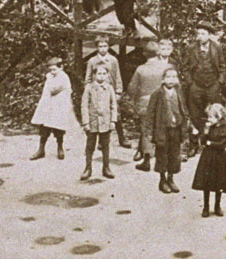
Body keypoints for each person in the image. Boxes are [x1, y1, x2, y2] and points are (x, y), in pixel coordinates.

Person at [127, 38, 174, 171]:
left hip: (144, 103)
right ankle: (163, 158)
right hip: (162, 102)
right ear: (158, 52)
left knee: (146, 130)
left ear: (144, 54)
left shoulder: (141, 69)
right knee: (161, 129)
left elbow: (131, 88)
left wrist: (136, 99)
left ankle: (146, 159)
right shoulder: (167, 67)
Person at [181, 23, 226, 144]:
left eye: (203, 34)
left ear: (209, 35)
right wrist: (190, 83)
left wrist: (219, 82)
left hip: (213, 85)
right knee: (194, 114)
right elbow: (185, 68)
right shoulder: (191, 48)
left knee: (217, 113)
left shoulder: (217, 48)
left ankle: (218, 141)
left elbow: (223, 67)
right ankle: (194, 143)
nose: (200, 36)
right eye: (198, 33)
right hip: (196, 86)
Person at [145, 65, 189, 193]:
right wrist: (149, 131)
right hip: (162, 130)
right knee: (162, 155)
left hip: (176, 129)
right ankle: (162, 180)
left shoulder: (179, 92)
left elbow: (183, 109)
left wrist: (185, 126)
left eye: (174, 77)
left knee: (174, 155)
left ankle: (171, 178)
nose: (171, 79)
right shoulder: (157, 94)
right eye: (168, 77)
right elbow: (150, 113)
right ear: (163, 80)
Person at [193, 102, 226, 217]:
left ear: (219, 117)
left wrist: (210, 143)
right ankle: (206, 206)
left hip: (220, 157)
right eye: (209, 116)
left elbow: (222, 144)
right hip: (208, 157)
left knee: (219, 183)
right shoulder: (208, 127)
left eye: (211, 117)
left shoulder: (225, 128)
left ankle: (217, 206)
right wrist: (205, 133)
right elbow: (203, 141)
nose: (209, 119)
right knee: (206, 182)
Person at [30, 56, 75, 161]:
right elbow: (46, 92)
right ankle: (41, 149)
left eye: (54, 69)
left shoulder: (64, 78)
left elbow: (54, 90)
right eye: (50, 70)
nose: (52, 72)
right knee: (44, 128)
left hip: (59, 107)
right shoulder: (49, 76)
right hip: (48, 106)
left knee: (59, 128)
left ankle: (60, 147)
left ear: (61, 67)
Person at [80, 62, 118, 181]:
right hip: (93, 122)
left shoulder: (109, 88)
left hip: (106, 122)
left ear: (107, 75)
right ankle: (88, 168)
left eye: (104, 73)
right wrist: (86, 122)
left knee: (105, 145)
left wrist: (113, 120)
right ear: (95, 75)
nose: (101, 76)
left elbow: (113, 105)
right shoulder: (89, 88)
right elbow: (84, 105)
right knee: (90, 145)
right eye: (99, 73)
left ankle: (106, 167)